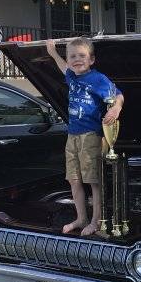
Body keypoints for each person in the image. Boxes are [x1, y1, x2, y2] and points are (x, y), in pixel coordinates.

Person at [48, 37, 123, 235]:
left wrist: (116, 108)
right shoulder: (72, 76)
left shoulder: (98, 79)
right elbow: (63, 67)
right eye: (72, 56)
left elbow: (118, 95)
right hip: (72, 136)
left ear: (92, 59)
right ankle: (81, 218)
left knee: (93, 182)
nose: (77, 59)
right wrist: (53, 53)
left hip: (91, 136)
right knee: (74, 180)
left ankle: (96, 222)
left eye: (82, 56)